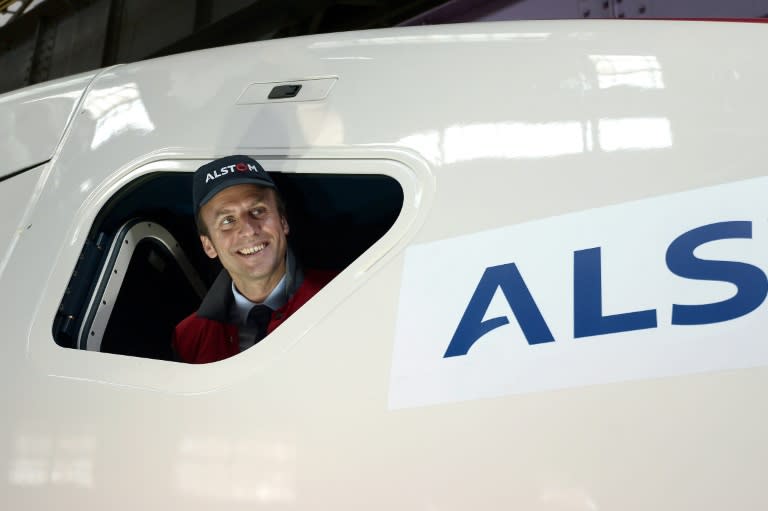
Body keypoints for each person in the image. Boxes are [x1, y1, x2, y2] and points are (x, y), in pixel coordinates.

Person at [173, 155, 336, 363]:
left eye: (258, 211)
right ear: (209, 246)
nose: (249, 230)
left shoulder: (346, 294)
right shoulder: (188, 338)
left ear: (283, 222)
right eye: (228, 220)